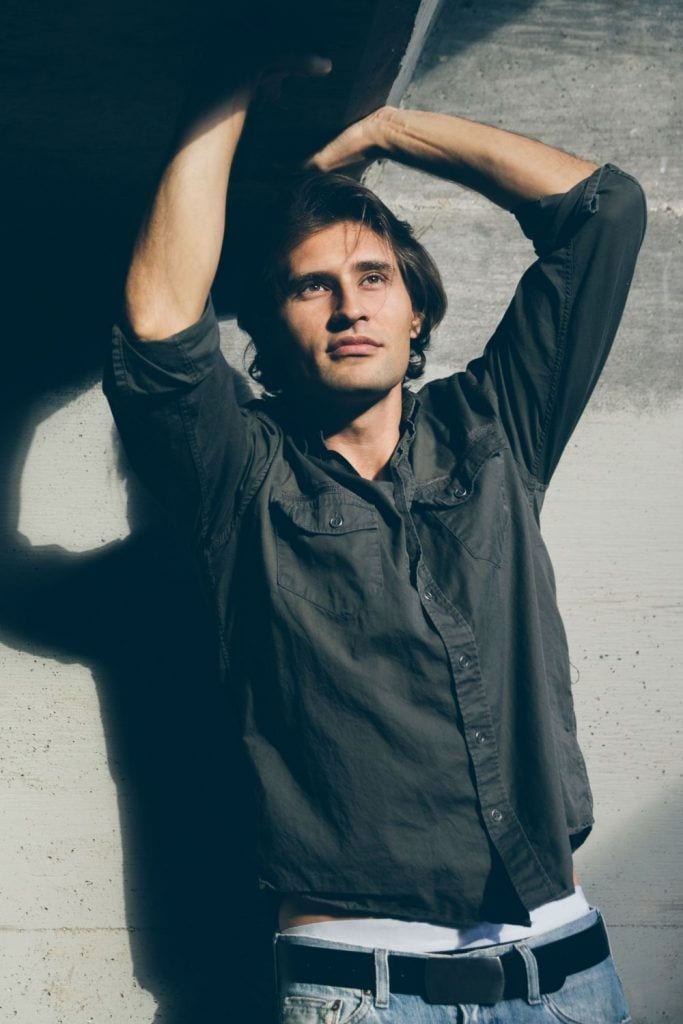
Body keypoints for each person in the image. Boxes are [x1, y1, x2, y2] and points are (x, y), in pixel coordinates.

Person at [104, 47, 646, 1024]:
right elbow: (159, 331)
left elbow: (602, 212)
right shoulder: (240, 476)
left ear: (415, 308)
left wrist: (391, 131)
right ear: (270, 325)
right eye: (310, 286)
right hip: (364, 990)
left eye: (372, 277)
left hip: (565, 975)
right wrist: (227, 87)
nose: (350, 305)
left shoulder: (495, 428)